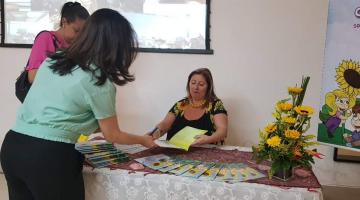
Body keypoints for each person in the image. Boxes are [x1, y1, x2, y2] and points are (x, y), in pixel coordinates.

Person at [1, 8, 155, 200]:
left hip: (13, 147)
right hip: (49, 156)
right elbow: (112, 135)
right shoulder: (99, 80)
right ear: (116, 46)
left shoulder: (53, 61)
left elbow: (60, 109)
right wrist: (143, 140)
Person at [151, 68, 228, 145]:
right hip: (175, 151)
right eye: (193, 83)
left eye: (201, 84)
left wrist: (209, 139)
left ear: (208, 87)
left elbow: (222, 131)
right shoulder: (181, 104)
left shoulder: (215, 105)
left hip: (205, 152)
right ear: (188, 84)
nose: (196, 87)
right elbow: (165, 124)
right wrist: (155, 132)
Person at [27, 1, 89, 83]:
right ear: (64, 22)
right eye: (76, 31)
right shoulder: (45, 38)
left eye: (83, 32)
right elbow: (32, 77)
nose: (80, 36)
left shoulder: (80, 45)